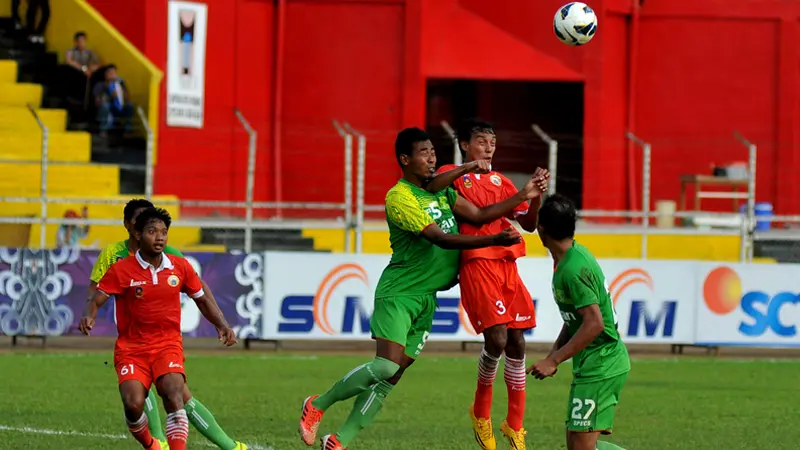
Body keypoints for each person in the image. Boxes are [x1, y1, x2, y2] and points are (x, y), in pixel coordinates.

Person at [298, 127, 546, 450]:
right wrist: (492, 239)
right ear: (405, 159)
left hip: (427, 300)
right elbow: (440, 238)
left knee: (390, 379)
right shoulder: (399, 197)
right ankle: (318, 403)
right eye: (424, 153)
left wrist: (525, 195)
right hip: (400, 293)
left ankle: (339, 440)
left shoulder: (443, 193)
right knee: (385, 365)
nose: (431, 157)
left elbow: (484, 213)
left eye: (433, 151)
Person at [425, 119, 548, 450]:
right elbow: (470, 209)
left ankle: (515, 426)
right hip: (478, 262)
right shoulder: (454, 173)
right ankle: (481, 411)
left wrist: (535, 197)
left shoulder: (502, 180)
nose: (489, 146)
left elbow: (531, 225)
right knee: (497, 338)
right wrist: (519, 191)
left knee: (518, 344)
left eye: (492, 141)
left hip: (508, 263)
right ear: (465, 145)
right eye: (481, 141)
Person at [88, 198, 247, 450]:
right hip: (132, 344)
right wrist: (91, 314)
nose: (158, 236)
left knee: (177, 395)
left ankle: (201, 444)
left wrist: (222, 323)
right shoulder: (115, 258)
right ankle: (159, 441)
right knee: (137, 399)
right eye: (148, 227)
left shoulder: (173, 258)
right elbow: (96, 290)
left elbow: (199, 291)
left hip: (165, 344)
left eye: (162, 231)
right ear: (131, 227)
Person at [527, 194, 630, 450]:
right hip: (593, 363)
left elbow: (594, 324)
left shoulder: (572, 270)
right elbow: (576, 319)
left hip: (602, 363)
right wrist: (554, 354)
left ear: (541, 230)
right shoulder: (571, 257)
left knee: (581, 448)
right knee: (578, 446)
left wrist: (554, 360)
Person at [93, 64, 134, 135]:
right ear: (106, 74)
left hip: (119, 107)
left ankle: (128, 129)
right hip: (106, 109)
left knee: (130, 105)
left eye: (114, 73)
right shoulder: (100, 85)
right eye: (110, 73)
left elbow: (128, 99)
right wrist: (111, 96)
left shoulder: (120, 83)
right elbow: (98, 102)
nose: (112, 75)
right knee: (106, 106)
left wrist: (122, 90)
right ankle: (103, 130)